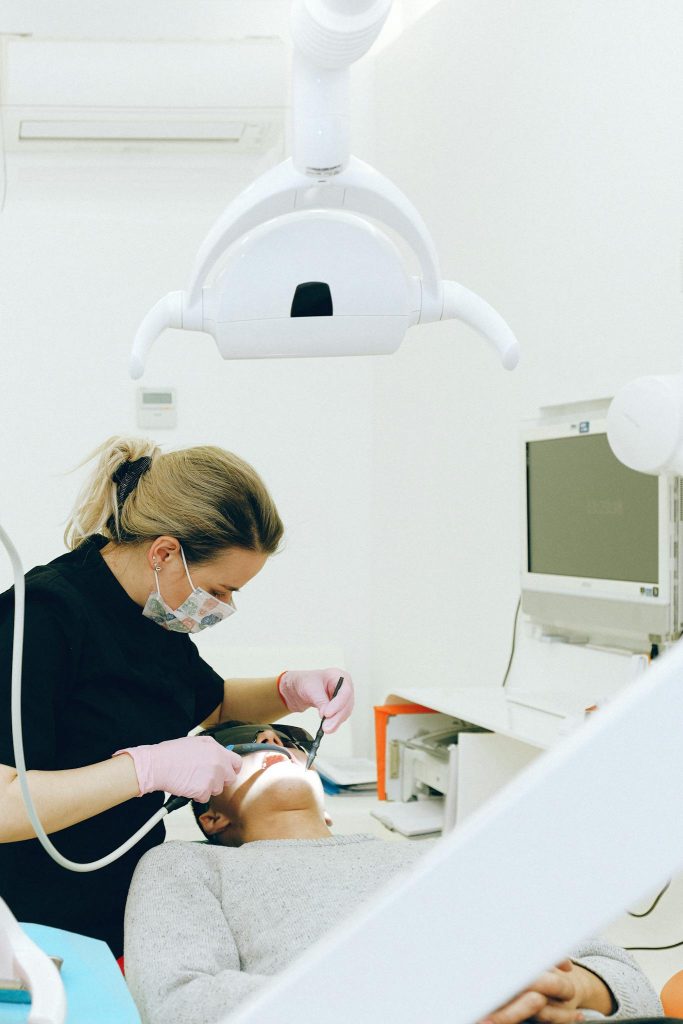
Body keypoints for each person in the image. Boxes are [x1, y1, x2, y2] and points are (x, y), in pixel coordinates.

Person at [0, 437, 354, 958]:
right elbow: (6, 805)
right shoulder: (39, 619)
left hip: (131, 913)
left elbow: (207, 704)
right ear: (164, 553)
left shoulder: (152, 610)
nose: (225, 605)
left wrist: (289, 690)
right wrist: (144, 770)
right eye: (219, 588)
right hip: (36, 927)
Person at [124, 720, 663, 1024]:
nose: (272, 745)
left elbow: (628, 980)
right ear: (209, 813)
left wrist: (574, 990)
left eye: (289, 742)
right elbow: (180, 1003)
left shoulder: (441, 854)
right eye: (241, 745)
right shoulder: (188, 864)